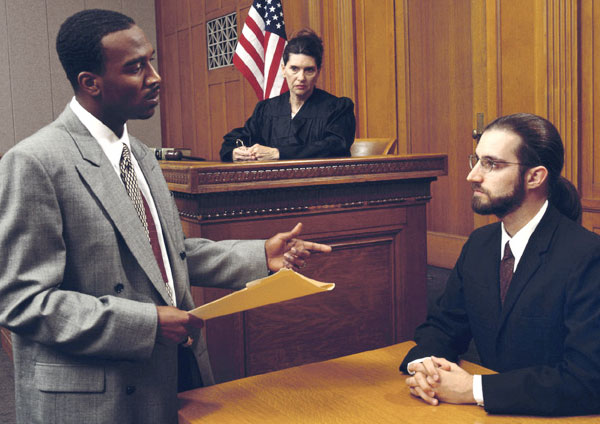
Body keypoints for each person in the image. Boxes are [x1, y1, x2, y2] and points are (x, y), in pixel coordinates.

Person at [0, 9, 331, 424]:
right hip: (97, 396)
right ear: (91, 83)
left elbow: (166, 257)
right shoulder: (34, 162)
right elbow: (23, 302)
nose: (155, 77)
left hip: (171, 371)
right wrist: (145, 324)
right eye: (137, 67)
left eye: (151, 61)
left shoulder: (139, 154)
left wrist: (260, 255)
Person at [401, 113, 600, 416]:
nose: (473, 176)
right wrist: (426, 367)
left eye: (491, 164)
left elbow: (587, 380)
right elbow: (443, 327)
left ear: (535, 177)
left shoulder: (587, 255)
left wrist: (473, 389)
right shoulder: (480, 244)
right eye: (477, 160)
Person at [220, 29, 355, 162]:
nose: (301, 77)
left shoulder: (338, 109)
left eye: (309, 70)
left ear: (318, 72)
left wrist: (278, 153)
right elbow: (236, 140)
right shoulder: (266, 109)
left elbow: (335, 146)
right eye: (294, 69)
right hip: (271, 183)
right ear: (284, 70)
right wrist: (235, 152)